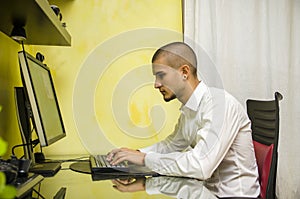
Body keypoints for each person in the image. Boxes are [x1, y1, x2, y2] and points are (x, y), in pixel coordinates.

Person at [107, 42, 260, 197]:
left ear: (184, 72)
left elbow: (201, 165)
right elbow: (170, 145)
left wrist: (145, 159)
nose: (156, 84)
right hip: (205, 192)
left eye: (161, 75)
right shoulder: (189, 110)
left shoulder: (220, 104)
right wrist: (135, 155)